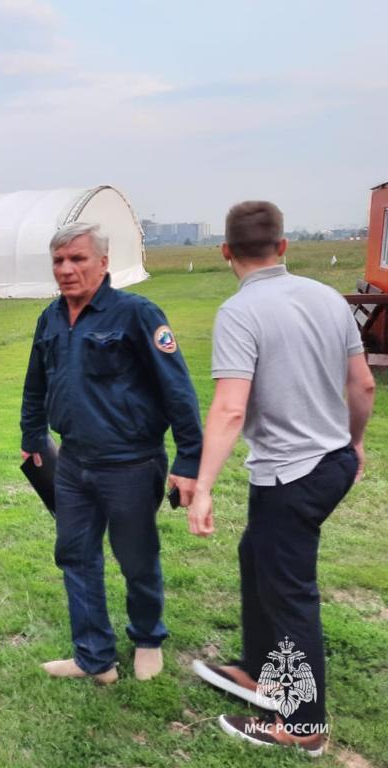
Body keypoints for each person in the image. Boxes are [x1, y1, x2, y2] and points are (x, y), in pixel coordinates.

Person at [187, 201, 375, 756]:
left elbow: (228, 409)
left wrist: (202, 485)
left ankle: (303, 723)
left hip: (291, 475)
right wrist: (355, 441)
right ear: (284, 246)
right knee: (257, 555)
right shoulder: (326, 298)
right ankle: (257, 671)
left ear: (226, 252)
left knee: (290, 590)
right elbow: (362, 386)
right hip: (331, 462)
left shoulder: (240, 312)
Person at [20, 221, 202, 684]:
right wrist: (31, 434)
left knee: (136, 557)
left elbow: (177, 390)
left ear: (103, 262)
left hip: (131, 463)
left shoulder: (136, 315)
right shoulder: (51, 318)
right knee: (75, 555)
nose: (66, 269)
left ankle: (147, 638)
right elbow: (36, 381)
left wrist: (188, 461)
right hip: (73, 461)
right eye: (58, 260)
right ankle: (94, 657)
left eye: (77, 259)